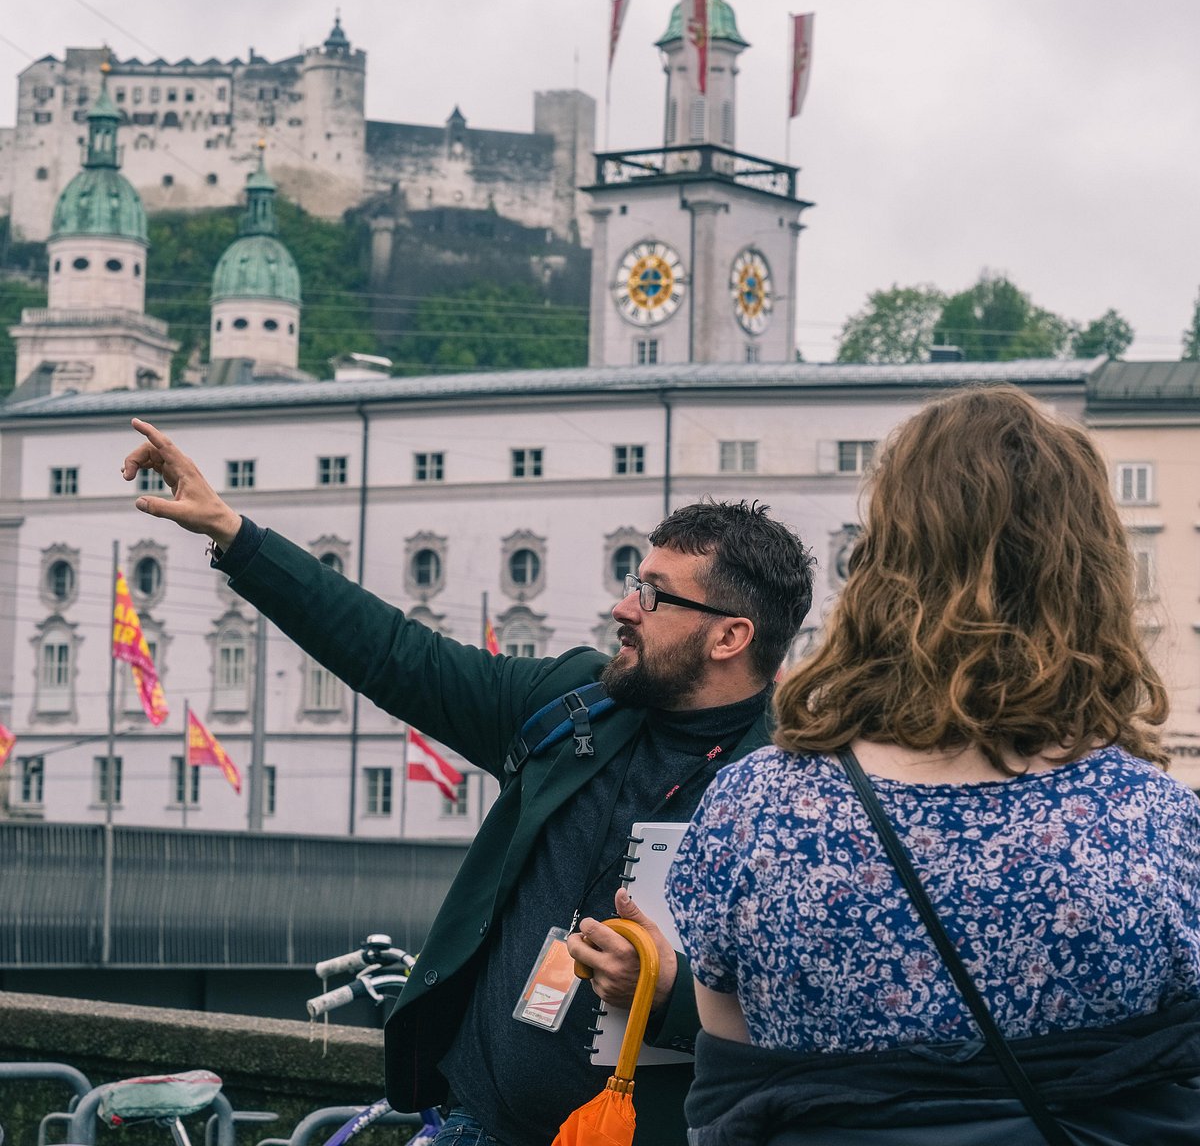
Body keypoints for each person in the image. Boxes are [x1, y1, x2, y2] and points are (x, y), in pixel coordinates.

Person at [120, 418, 815, 1146]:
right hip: (475, 1124)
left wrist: (669, 996)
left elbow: (808, 1011)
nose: (624, 607)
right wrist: (236, 535)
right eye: (633, 583)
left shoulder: (790, 793)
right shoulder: (575, 701)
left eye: (653, 595)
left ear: (730, 636)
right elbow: (396, 655)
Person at [667, 385, 1200, 1143]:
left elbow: (731, 1096)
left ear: (882, 565)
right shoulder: (1158, 824)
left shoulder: (755, 808)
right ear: (1087, 575)